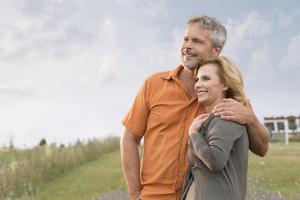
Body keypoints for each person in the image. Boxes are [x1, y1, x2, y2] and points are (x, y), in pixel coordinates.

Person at [120, 15, 270, 200]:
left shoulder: (230, 99)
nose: (187, 46)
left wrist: (250, 118)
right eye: (186, 39)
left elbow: (262, 149)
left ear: (216, 50)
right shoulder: (153, 84)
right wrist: (135, 195)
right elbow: (129, 138)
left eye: (197, 41)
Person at [182, 56, 249, 200]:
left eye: (206, 79)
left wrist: (193, 134)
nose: (198, 85)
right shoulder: (213, 119)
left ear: (225, 84)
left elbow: (215, 160)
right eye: (197, 79)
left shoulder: (225, 117)